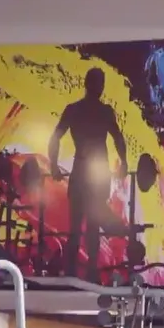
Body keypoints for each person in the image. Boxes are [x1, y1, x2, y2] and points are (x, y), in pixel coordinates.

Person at [48, 68, 129, 282]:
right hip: (88, 172)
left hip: (90, 173)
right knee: (83, 225)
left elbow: (118, 138)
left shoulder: (89, 111)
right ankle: (78, 272)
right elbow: (55, 137)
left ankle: (83, 272)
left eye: (100, 83)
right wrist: (53, 165)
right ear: (91, 84)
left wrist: (124, 162)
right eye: (97, 83)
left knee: (86, 225)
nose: (99, 87)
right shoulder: (91, 111)